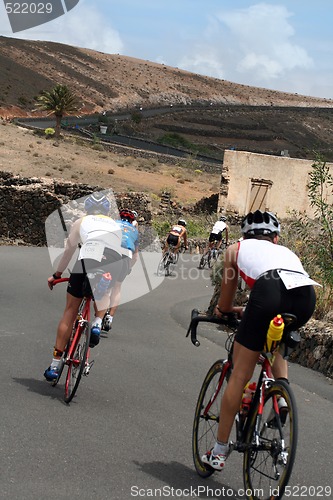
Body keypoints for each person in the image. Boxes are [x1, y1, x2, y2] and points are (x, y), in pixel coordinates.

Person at [202, 209, 317, 470]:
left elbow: (226, 300)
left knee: (240, 374)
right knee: (276, 336)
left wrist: (224, 311)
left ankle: (219, 451)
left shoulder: (235, 249)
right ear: (275, 238)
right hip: (305, 296)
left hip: (268, 291)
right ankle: (281, 395)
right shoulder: (287, 252)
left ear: (245, 234)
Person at [44, 192, 127, 382]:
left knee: (70, 310)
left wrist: (57, 275)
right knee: (104, 288)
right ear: (107, 211)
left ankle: (55, 365)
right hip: (114, 260)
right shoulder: (116, 225)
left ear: (88, 209)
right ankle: (97, 323)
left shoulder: (81, 222)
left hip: (89, 256)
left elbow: (68, 251)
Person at [102, 209, 139, 331]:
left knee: (107, 286)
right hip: (125, 256)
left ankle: (99, 317)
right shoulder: (134, 230)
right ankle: (110, 317)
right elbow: (135, 256)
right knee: (117, 287)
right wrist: (129, 268)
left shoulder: (113, 224)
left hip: (111, 253)